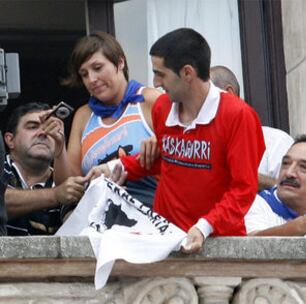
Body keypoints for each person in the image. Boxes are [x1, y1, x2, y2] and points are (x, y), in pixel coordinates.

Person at [88, 28, 265, 253]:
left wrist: (203, 227)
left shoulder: (239, 116)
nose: (155, 81)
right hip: (164, 240)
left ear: (187, 73)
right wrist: (115, 166)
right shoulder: (162, 108)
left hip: (218, 245)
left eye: (161, 73)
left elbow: (243, 189)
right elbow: (166, 161)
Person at [60, 31, 161, 207]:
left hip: (154, 215)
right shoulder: (83, 115)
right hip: (100, 218)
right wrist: (58, 150)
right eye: (84, 74)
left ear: (120, 62)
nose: (92, 79)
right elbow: (71, 187)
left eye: (97, 68)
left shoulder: (150, 99)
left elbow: (183, 154)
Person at [2, 103, 88, 235]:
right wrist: (55, 195)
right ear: (10, 140)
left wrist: (61, 151)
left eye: (50, 128)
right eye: (32, 127)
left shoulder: (64, 181)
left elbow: (81, 229)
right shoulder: (2, 167)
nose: (43, 133)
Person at [210, 65, 293, 190]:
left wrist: (240, 176)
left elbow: (293, 193)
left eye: (202, 99)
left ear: (228, 94)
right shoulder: (199, 147)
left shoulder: (276, 141)